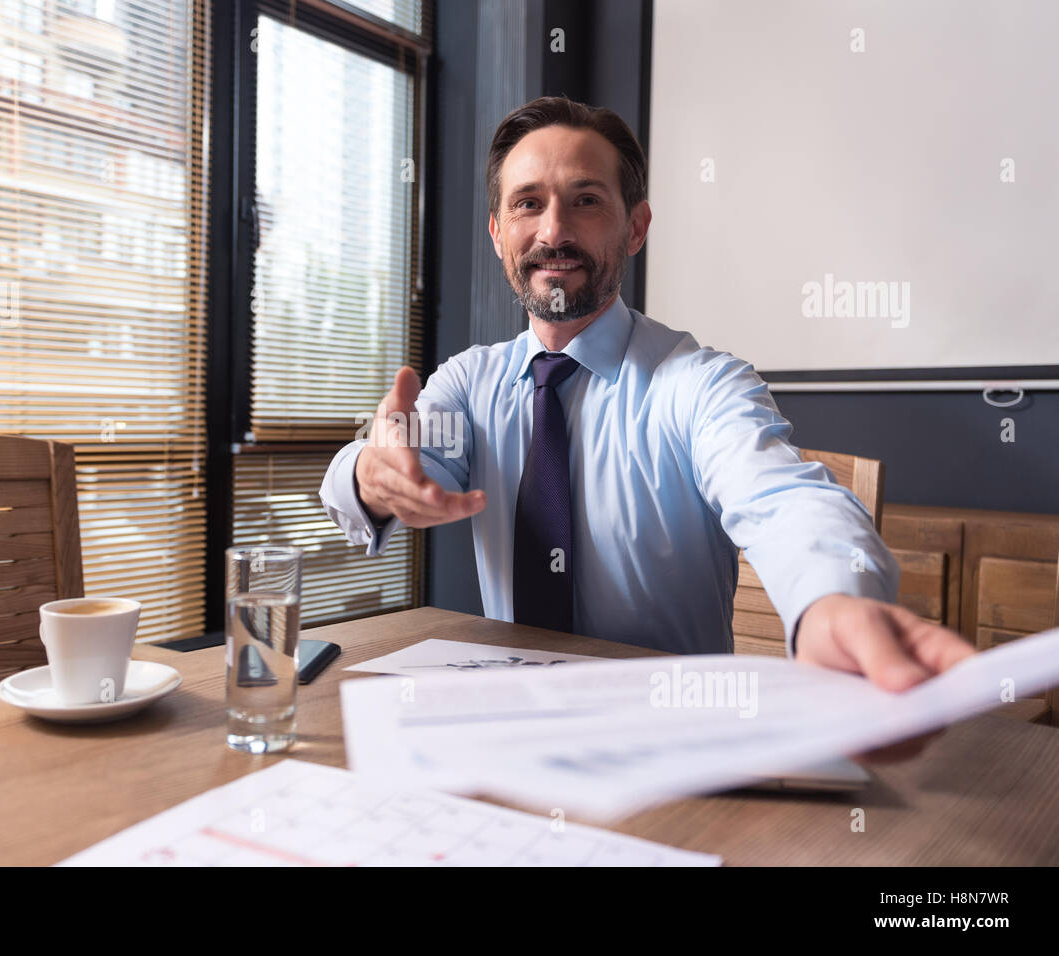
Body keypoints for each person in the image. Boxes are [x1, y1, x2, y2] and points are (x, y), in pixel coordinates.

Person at [320, 96, 974, 754]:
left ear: (635, 228)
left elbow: (786, 498)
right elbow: (404, 464)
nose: (553, 231)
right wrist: (372, 475)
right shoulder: (468, 383)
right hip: (516, 737)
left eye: (585, 200)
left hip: (680, 752)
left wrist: (831, 602)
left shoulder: (700, 384)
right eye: (527, 204)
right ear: (497, 232)